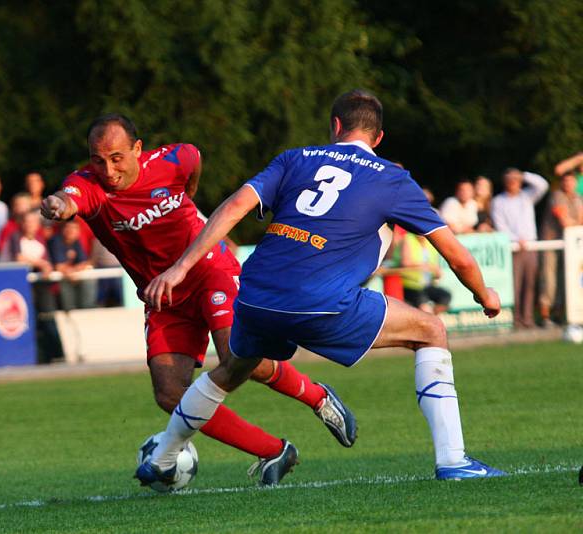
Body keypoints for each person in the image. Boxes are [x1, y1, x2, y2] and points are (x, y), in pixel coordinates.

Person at [139, 89, 505, 488]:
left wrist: (179, 268)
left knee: (230, 370)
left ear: (335, 126)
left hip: (255, 296)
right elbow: (458, 257)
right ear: (378, 138)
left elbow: (232, 208)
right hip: (320, 303)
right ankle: (453, 460)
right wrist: (483, 293)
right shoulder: (393, 179)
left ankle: (161, 458)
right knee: (431, 331)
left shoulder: (294, 158)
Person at [41, 113, 355, 485]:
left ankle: (318, 397)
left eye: (117, 157)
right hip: (163, 297)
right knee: (169, 393)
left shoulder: (173, 160)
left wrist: (188, 197)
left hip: (209, 270)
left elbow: (193, 159)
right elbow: (69, 198)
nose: (108, 169)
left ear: (138, 149)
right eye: (98, 159)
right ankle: (274, 450)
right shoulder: (89, 186)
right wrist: (58, 206)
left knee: (239, 359)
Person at [491, 167, 549, 329]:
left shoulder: (526, 196)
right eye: (510, 180)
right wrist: (516, 239)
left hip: (530, 246)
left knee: (530, 284)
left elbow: (543, 185)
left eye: (516, 180)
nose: (513, 183)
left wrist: (524, 175)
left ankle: (528, 318)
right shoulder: (498, 201)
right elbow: (500, 224)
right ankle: (515, 319)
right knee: (515, 285)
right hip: (513, 247)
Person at [538, 171, 583, 325]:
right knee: (548, 279)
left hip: (570, 245)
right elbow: (564, 220)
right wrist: (577, 224)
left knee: (566, 278)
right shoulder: (556, 196)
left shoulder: (578, 198)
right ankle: (545, 316)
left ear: (575, 183)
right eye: (565, 181)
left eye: (571, 181)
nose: (568, 184)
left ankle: (559, 314)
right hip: (552, 242)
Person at [397, 232, 452, 314]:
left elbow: (435, 267)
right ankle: (428, 319)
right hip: (411, 285)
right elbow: (405, 263)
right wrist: (426, 267)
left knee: (445, 296)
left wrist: (437, 273)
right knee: (425, 307)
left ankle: (430, 319)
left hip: (427, 285)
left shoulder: (430, 242)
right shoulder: (408, 239)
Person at [48, 219, 97, 310]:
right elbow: (59, 267)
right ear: (62, 229)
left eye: (74, 228)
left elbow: (85, 263)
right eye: (68, 227)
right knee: (64, 282)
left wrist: (73, 270)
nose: (71, 230)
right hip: (54, 283)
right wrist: (73, 270)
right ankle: (71, 310)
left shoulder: (76, 242)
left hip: (72, 278)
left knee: (88, 278)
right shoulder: (55, 241)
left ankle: (88, 309)